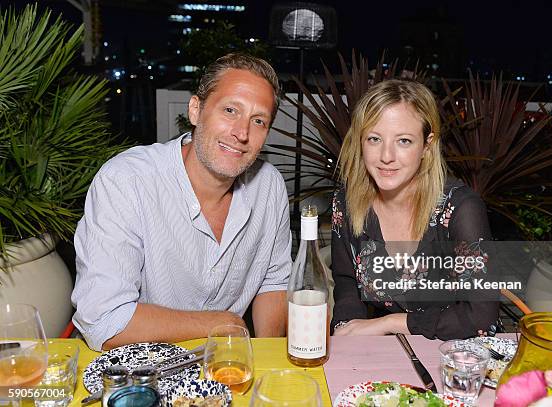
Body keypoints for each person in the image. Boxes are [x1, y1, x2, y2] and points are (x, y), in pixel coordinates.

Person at [72, 53, 291, 351]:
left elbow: (273, 282)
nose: (242, 133)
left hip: (223, 368)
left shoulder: (269, 186)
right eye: (230, 110)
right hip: (137, 371)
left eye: (258, 121)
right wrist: (220, 323)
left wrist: (267, 363)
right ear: (196, 111)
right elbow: (105, 321)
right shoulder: (127, 180)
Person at [330, 79, 499, 339]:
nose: (386, 156)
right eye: (374, 139)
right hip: (390, 354)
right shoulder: (347, 203)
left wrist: (391, 323)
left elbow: (481, 315)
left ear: (427, 146)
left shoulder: (460, 209)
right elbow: (346, 283)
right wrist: (346, 333)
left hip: (459, 355)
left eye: (404, 141)